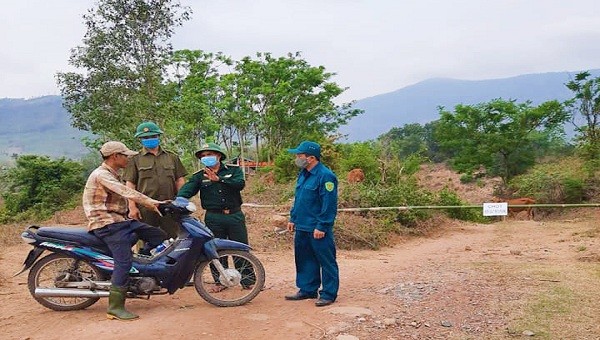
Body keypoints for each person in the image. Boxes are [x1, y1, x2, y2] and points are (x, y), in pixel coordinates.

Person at [83, 141, 168, 321]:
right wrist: (151, 203)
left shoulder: (112, 173)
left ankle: (143, 264)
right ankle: (115, 308)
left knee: (157, 234)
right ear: (115, 156)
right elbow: (125, 191)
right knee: (123, 262)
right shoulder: (102, 175)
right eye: (125, 155)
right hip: (107, 225)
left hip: (120, 221)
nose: (128, 158)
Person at [177, 142, 253, 289]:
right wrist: (177, 201)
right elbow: (186, 191)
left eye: (210, 154)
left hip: (234, 215)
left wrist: (220, 180)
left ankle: (248, 282)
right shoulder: (199, 176)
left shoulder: (233, 171)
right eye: (203, 156)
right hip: (214, 217)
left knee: (240, 248)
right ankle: (220, 282)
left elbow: (240, 184)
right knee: (215, 249)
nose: (207, 158)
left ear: (218, 155)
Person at [285, 141, 339, 307]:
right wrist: (292, 218)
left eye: (299, 155)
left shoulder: (326, 176)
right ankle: (307, 289)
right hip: (302, 225)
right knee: (304, 259)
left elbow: (328, 204)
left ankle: (328, 293)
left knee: (326, 261)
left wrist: (322, 226)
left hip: (317, 228)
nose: (297, 158)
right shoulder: (303, 173)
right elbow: (299, 199)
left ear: (311, 158)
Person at [123, 122, 187, 239]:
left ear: (159, 136)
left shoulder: (172, 157)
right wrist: (132, 207)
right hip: (145, 208)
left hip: (169, 206)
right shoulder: (135, 160)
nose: (150, 139)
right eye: (146, 137)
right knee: (146, 239)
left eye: (153, 136)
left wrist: (182, 201)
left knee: (173, 238)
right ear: (140, 139)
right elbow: (130, 185)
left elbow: (180, 180)